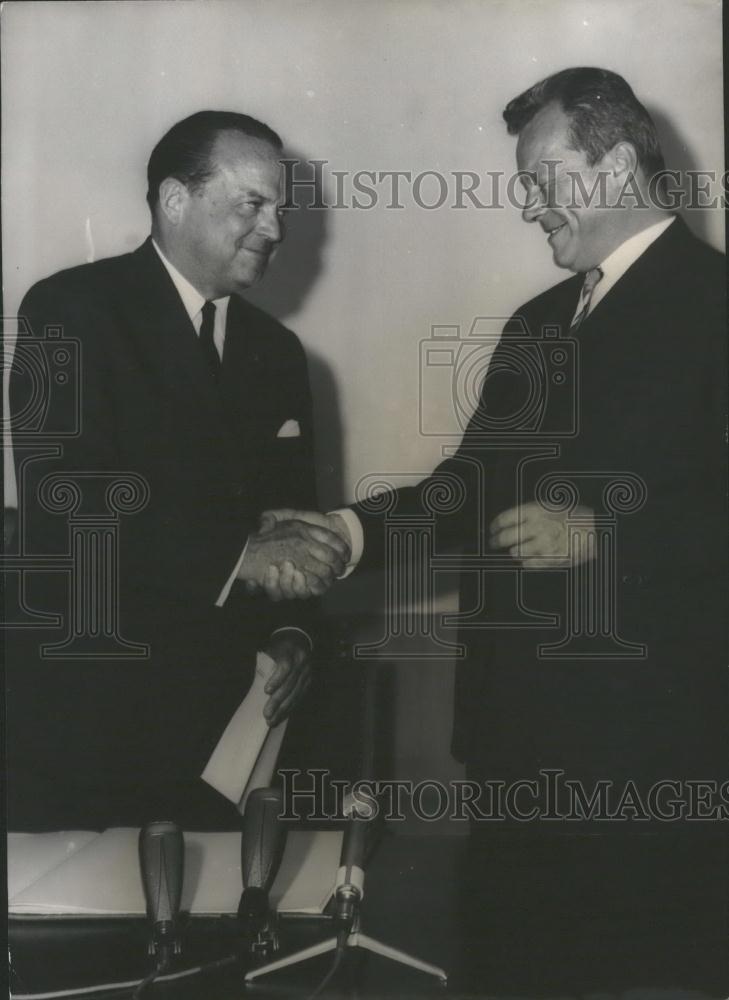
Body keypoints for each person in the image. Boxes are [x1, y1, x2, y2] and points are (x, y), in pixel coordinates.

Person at [260, 69, 729, 993]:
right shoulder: (536, 325)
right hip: (514, 747)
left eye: (542, 176)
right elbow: (469, 490)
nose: (527, 207)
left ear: (617, 163)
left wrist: (606, 531)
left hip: (660, 761)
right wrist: (347, 532)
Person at [8, 110, 349, 831]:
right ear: (174, 199)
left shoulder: (278, 351)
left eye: (280, 207)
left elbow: (294, 516)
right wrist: (241, 556)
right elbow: (65, 509)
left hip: (235, 731)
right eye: (252, 204)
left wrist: (295, 634)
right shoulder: (69, 311)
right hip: (100, 724)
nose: (276, 228)